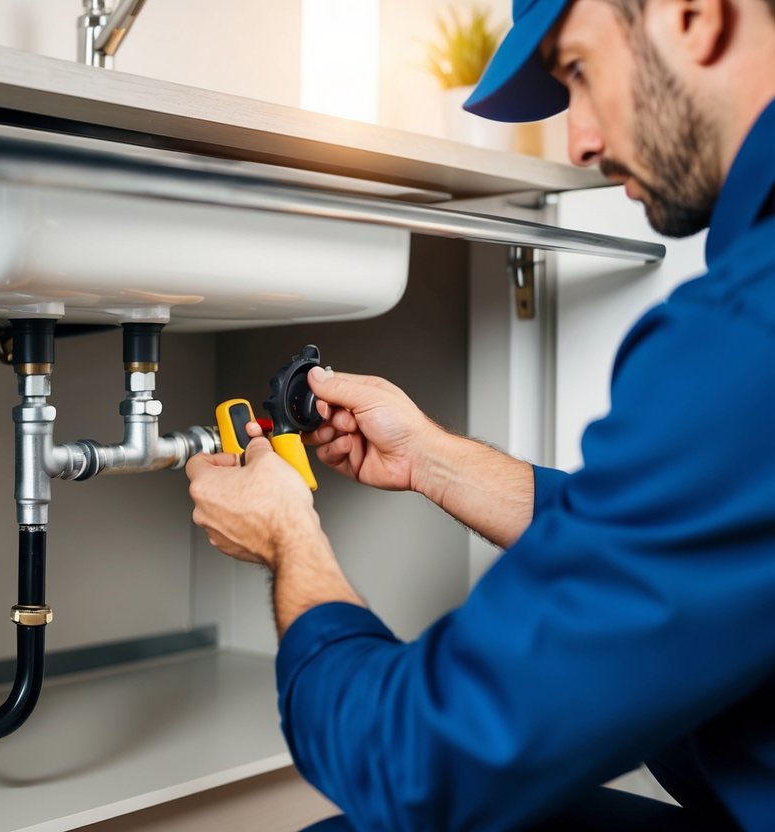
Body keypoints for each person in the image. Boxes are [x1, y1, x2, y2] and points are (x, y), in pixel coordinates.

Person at [185, 0, 775, 828]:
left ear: (692, 13)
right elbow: (693, 533)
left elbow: (415, 764)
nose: (579, 143)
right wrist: (428, 456)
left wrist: (289, 539)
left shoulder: (746, 333)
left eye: (575, 69)